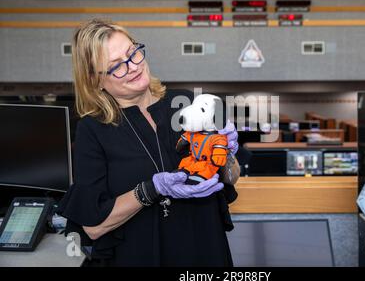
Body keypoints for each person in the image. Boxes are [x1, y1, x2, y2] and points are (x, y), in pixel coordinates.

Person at [56, 19, 240, 267]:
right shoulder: (93, 129)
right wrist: (150, 190)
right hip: (141, 255)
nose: (132, 66)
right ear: (95, 80)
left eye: (132, 54)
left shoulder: (186, 103)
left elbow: (231, 177)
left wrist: (227, 154)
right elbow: (93, 226)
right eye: (116, 66)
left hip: (204, 248)